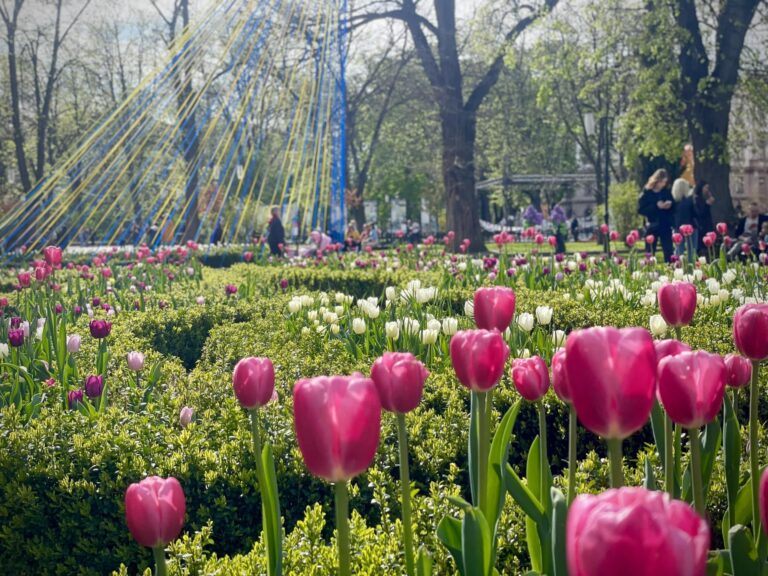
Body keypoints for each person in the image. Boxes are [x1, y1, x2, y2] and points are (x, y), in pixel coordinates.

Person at [638, 169, 674, 262]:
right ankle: (650, 270)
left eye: (664, 182)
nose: (663, 184)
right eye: (661, 182)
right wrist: (656, 206)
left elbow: (673, 205)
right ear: (656, 180)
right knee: (650, 251)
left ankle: (670, 268)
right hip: (652, 225)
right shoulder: (647, 192)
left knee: (668, 250)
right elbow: (641, 209)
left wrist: (669, 205)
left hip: (665, 224)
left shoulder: (666, 192)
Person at [671, 178, 697, 261]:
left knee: (679, 250)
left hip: (677, 226)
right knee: (692, 251)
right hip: (691, 227)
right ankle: (691, 268)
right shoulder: (690, 201)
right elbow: (696, 213)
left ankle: (679, 267)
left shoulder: (673, 202)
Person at [693, 180, 715, 254]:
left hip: (707, 224)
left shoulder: (705, 197)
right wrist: (707, 204)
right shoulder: (697, 199)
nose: (707, 190)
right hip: (701, 225)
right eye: (706, 188)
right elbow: (700, 212)